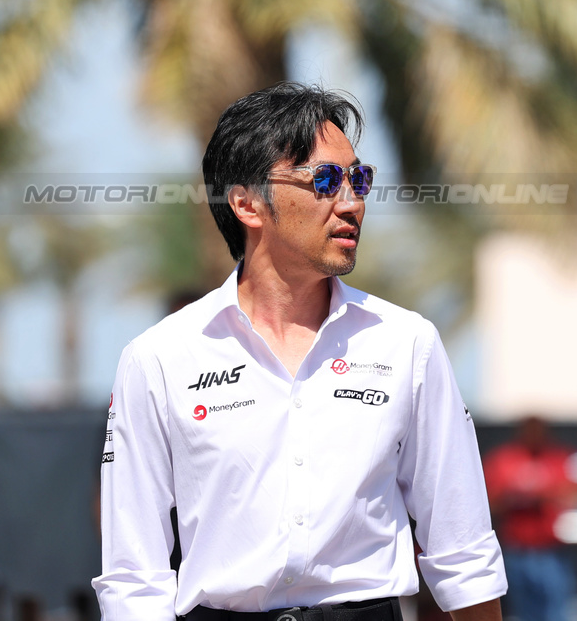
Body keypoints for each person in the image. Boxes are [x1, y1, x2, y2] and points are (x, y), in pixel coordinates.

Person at [94, 84, 505, 621]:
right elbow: (133, 579)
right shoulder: (159, 358)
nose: (352, 202)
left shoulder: (407, 343)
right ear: (246, 203)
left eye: (360, 178)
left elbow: (463, 549)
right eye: (327, 180)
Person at [483, 418, 577, 621]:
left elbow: (576, 493)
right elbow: (488, 499)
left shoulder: (558, 457)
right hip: (517, 548)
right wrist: (513, 496)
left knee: (557, 609)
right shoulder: (505, 458)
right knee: (523, 611)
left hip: (551, 550)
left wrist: (542, 493)